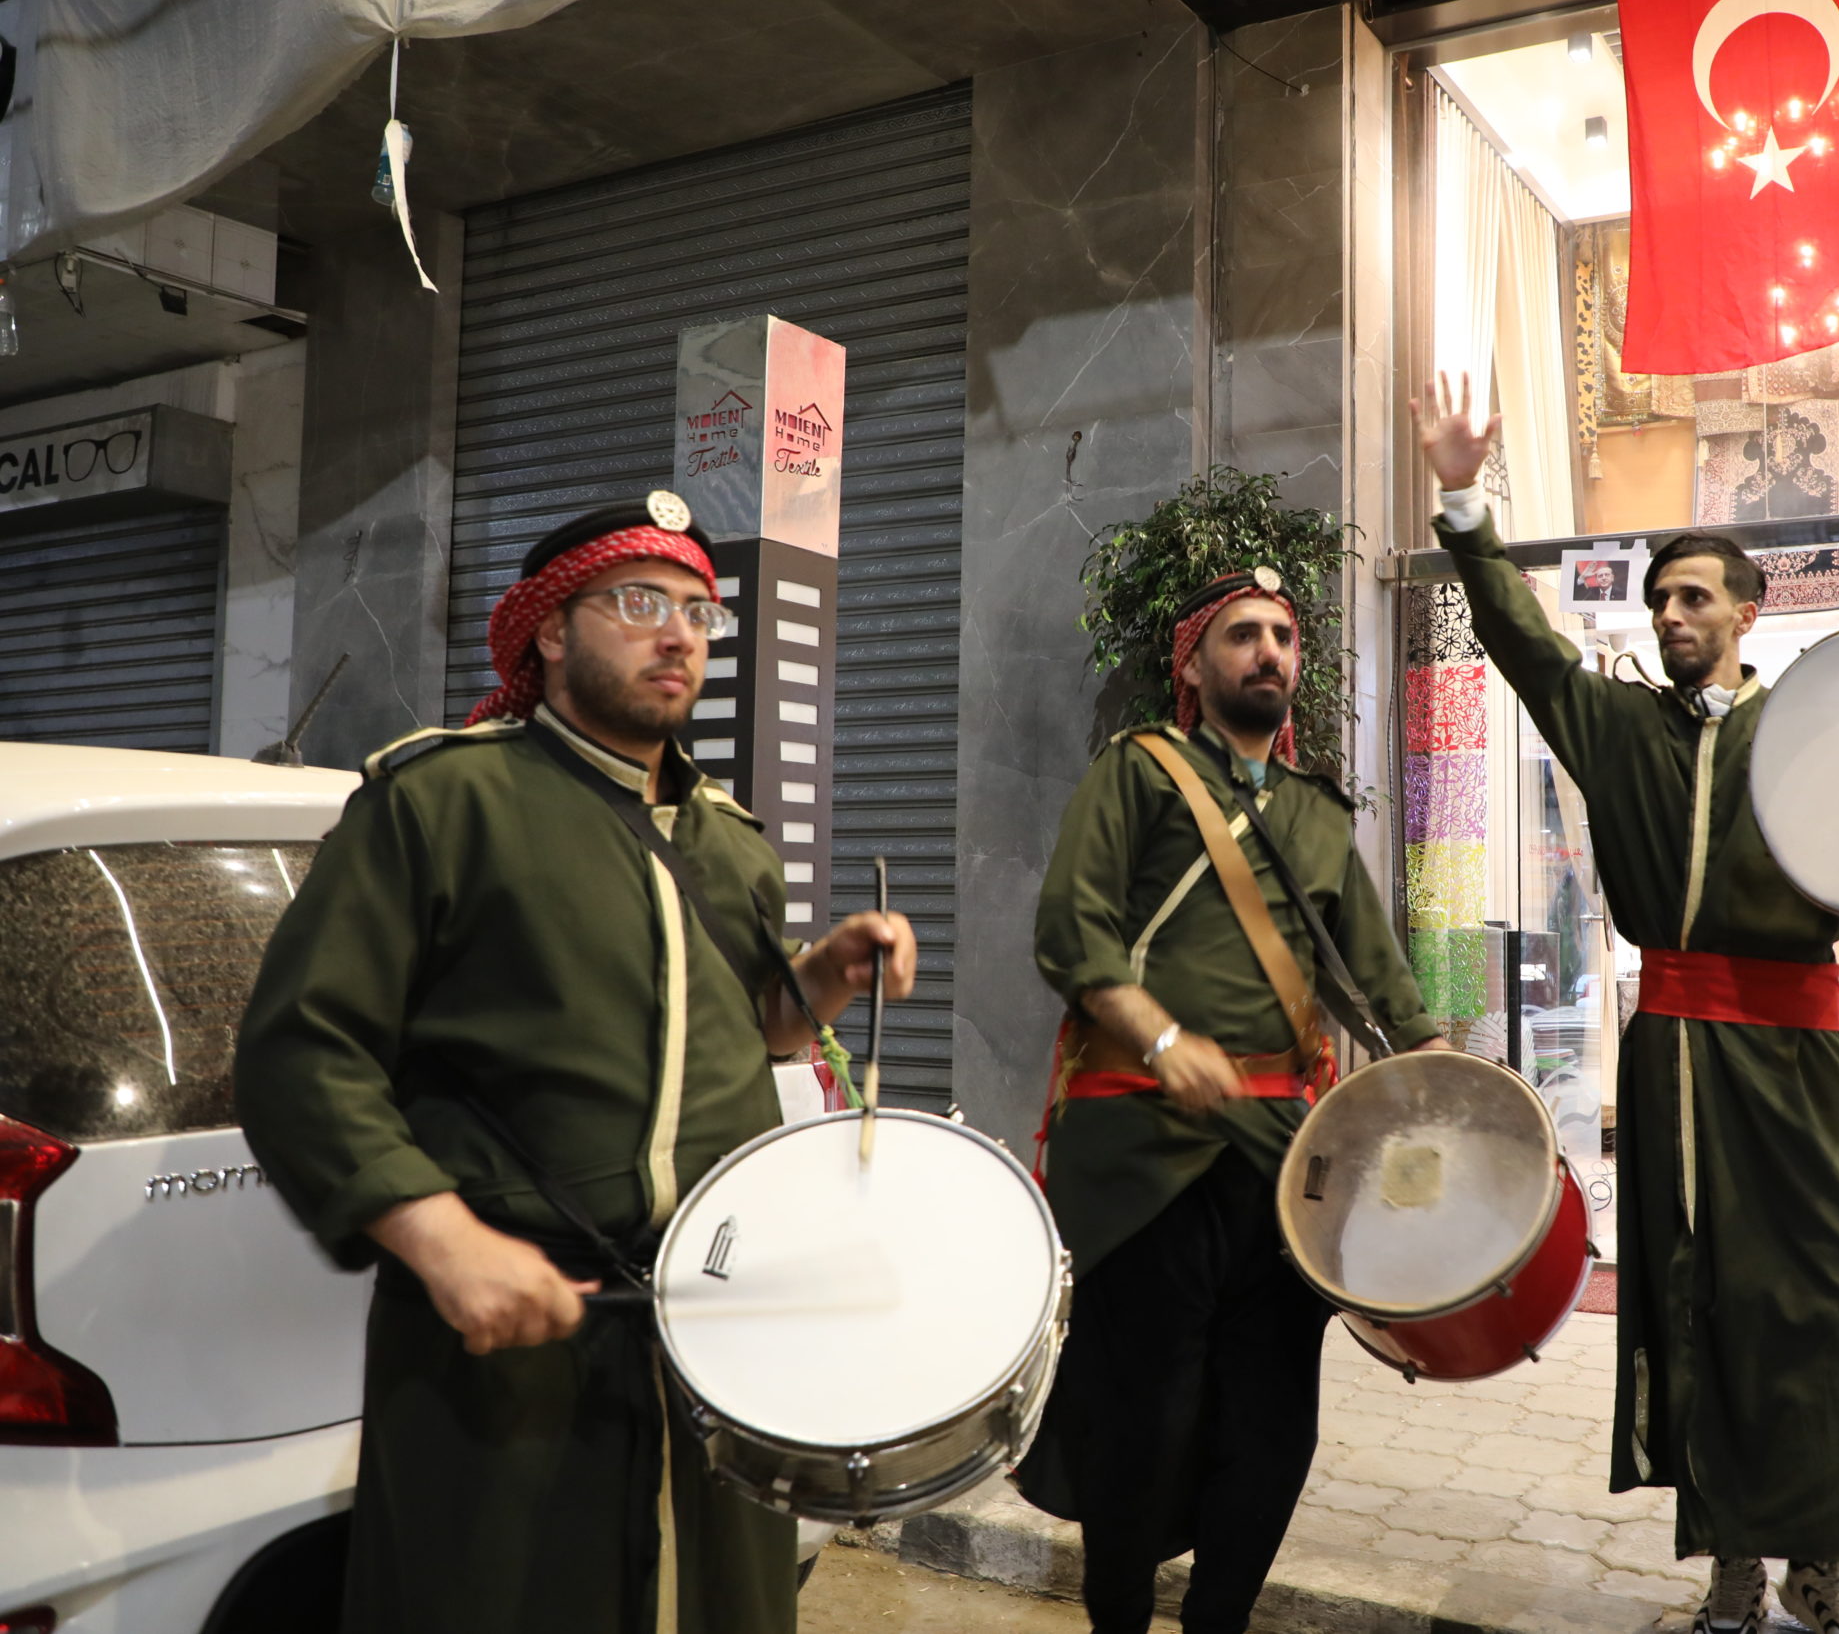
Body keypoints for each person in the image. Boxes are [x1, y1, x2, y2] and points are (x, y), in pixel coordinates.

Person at [235, 496, 919, 1634]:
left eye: (698, 610)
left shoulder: (730, 840)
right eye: (640, 602)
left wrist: (824, 978)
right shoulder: (444, 802)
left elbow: (741, 1030)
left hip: (713, 1336)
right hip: (510, 1333)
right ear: (549, 629)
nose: (679, 634)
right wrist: (440, 1239)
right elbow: (302, 1050)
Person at [1411, 376, 1839, 1634]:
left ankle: (1825, 1555)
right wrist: (1462, 499)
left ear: (1747, 613)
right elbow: (1523, 641)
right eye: (1659, 598)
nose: (1670, 613)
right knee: (1698, 1296)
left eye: (1695, 596)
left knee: (1821, 1299)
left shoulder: (1808, 735)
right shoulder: (1615, 730)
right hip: (1671, 1063)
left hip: (1800, 1068)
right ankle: (1731, 1563)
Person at [1014, 565, 1443, 1634]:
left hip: (1284, 1157)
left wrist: (1452, 1083)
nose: (1270, 653)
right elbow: (1071, 928)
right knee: (1143, 1421)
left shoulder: (1315, 813)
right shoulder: (1138, 773)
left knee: (1273, 1425)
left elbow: (1378, 979)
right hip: (1144, 1144)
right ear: (1195, 665)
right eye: (1244, 634)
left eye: (1284, 637)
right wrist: (1161, 1038)